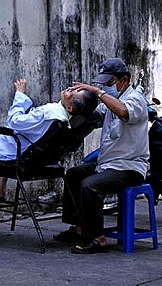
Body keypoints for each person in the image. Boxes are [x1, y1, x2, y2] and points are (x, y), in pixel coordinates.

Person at [0, 78, 98, 205]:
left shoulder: (50, 112)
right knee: (17, 137)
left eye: (74, 93)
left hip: (10, 151)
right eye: (73, 88)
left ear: (70, 107)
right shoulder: (65, 120)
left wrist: (19, 95)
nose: (69, 90)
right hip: (30, 154)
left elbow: (14, 121)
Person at [53, 58, 150, 254]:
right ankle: (80, 228)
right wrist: (72, 102)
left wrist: (99, 92)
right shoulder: (108, 103)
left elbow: (123, 112)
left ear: (123, 79)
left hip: (129, 167)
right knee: (74, 174)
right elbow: (90, 117)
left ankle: (98, 238)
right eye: (104, 84)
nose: (106, 87)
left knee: (90, 185)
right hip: (107, 163)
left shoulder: (135, 100)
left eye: (109, 83)